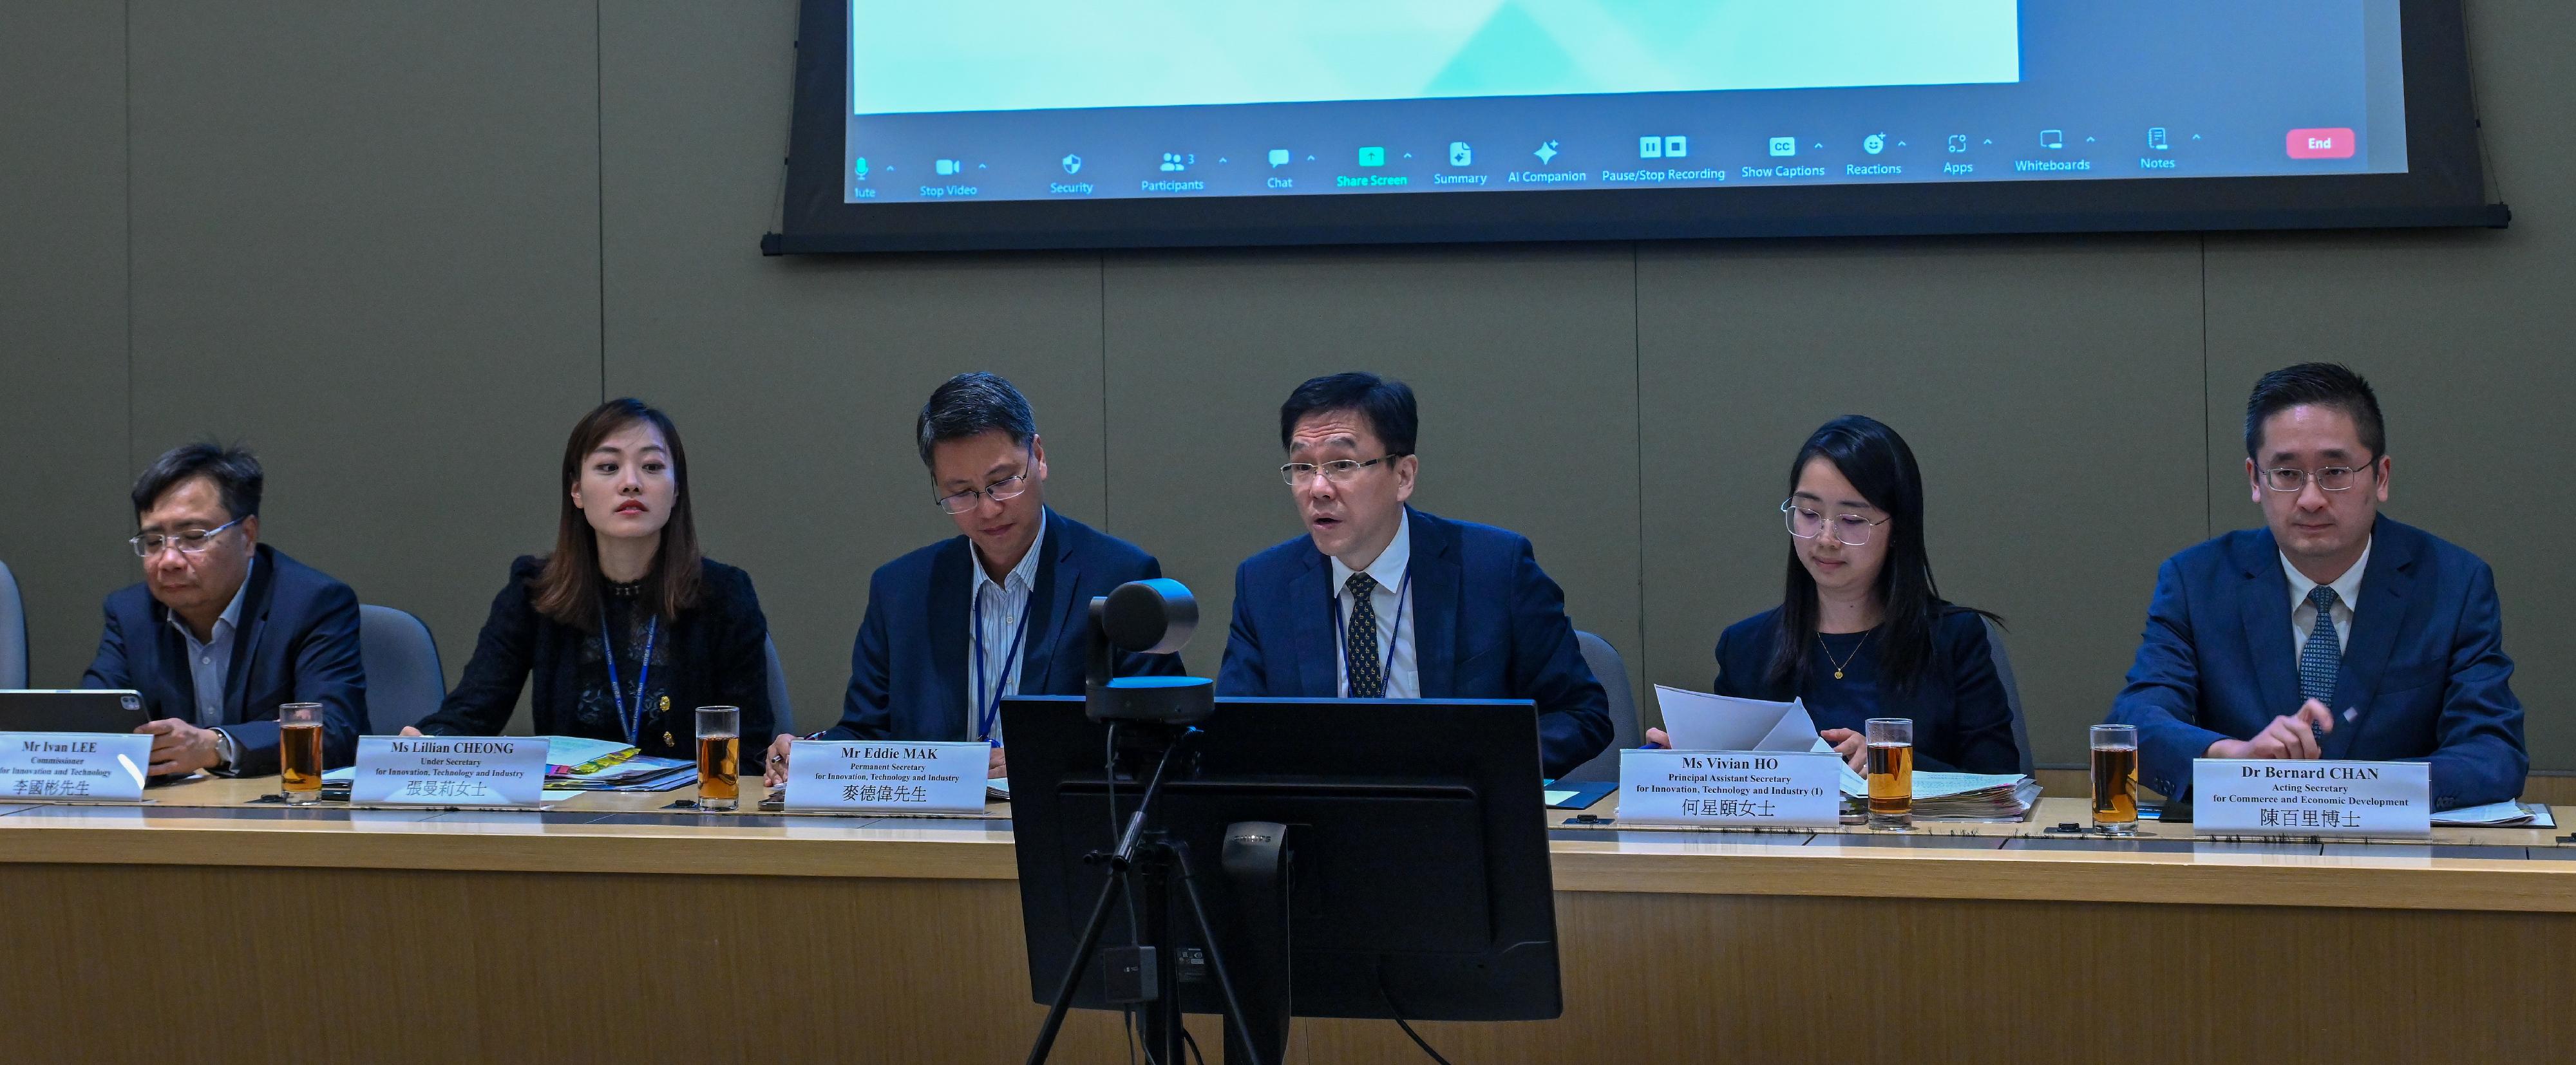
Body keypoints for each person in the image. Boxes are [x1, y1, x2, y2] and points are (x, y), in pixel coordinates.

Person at [2108, 363, 2524, 808]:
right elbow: (2136, 723)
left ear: (2381, 477)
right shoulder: (2197, 581)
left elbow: (2493, 753)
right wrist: (2235, 759)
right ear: (2255, 479)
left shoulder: (2453, 585)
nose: (2311, 498)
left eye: (2335, 472)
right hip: (2241, 863)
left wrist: (2354, 795)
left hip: (2399, 864)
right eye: (2287, 474)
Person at [764, 372, 1180, 786]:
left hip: (1064, 830)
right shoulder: (901, 592)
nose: (988, 510)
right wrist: (810, 757)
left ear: (1038, 456)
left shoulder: (1119, 578)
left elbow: (1157, 740)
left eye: (1002, 482)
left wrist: (1039, 760)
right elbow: (868, 736)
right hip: (936, 840)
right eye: (962, 493)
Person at [1218, 372, 1611, 778]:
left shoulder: (1494, 569)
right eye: (1302, 467)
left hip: (1457, 817)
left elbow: (1580, 714)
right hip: (1321, 826)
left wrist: (1476, 767)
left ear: (1403, 476)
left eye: (1341, 464)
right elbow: (1235, 734)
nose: (1318, 488)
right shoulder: (1265, 585)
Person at [1645, 417, 2018, 774]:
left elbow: (2000, 785)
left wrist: (1892, 765)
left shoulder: (1953, 640)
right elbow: (1739, 784)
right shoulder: (1746, 648)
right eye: (1808, 513)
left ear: (1899, 528)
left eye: (1852, 521)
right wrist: (1694, 764)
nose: (1826, 539)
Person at [406, 399, 773, 758]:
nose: (631, 483)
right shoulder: (533, 591)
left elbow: (749, 746)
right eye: (609, 467)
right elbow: (473, 712)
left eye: (652, 466)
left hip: (687, 813)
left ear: (676, 490)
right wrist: (430, 743)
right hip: (572, 811)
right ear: (577, 491)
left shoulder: (723, 594)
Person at [83, 442, 369, 775]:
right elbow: (93, 720)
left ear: (247, 536)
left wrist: (217, 746)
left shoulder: (313, 603)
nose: (169, 560)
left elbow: (334, 731)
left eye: (193, 537)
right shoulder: (131, 612)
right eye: (153, 542)